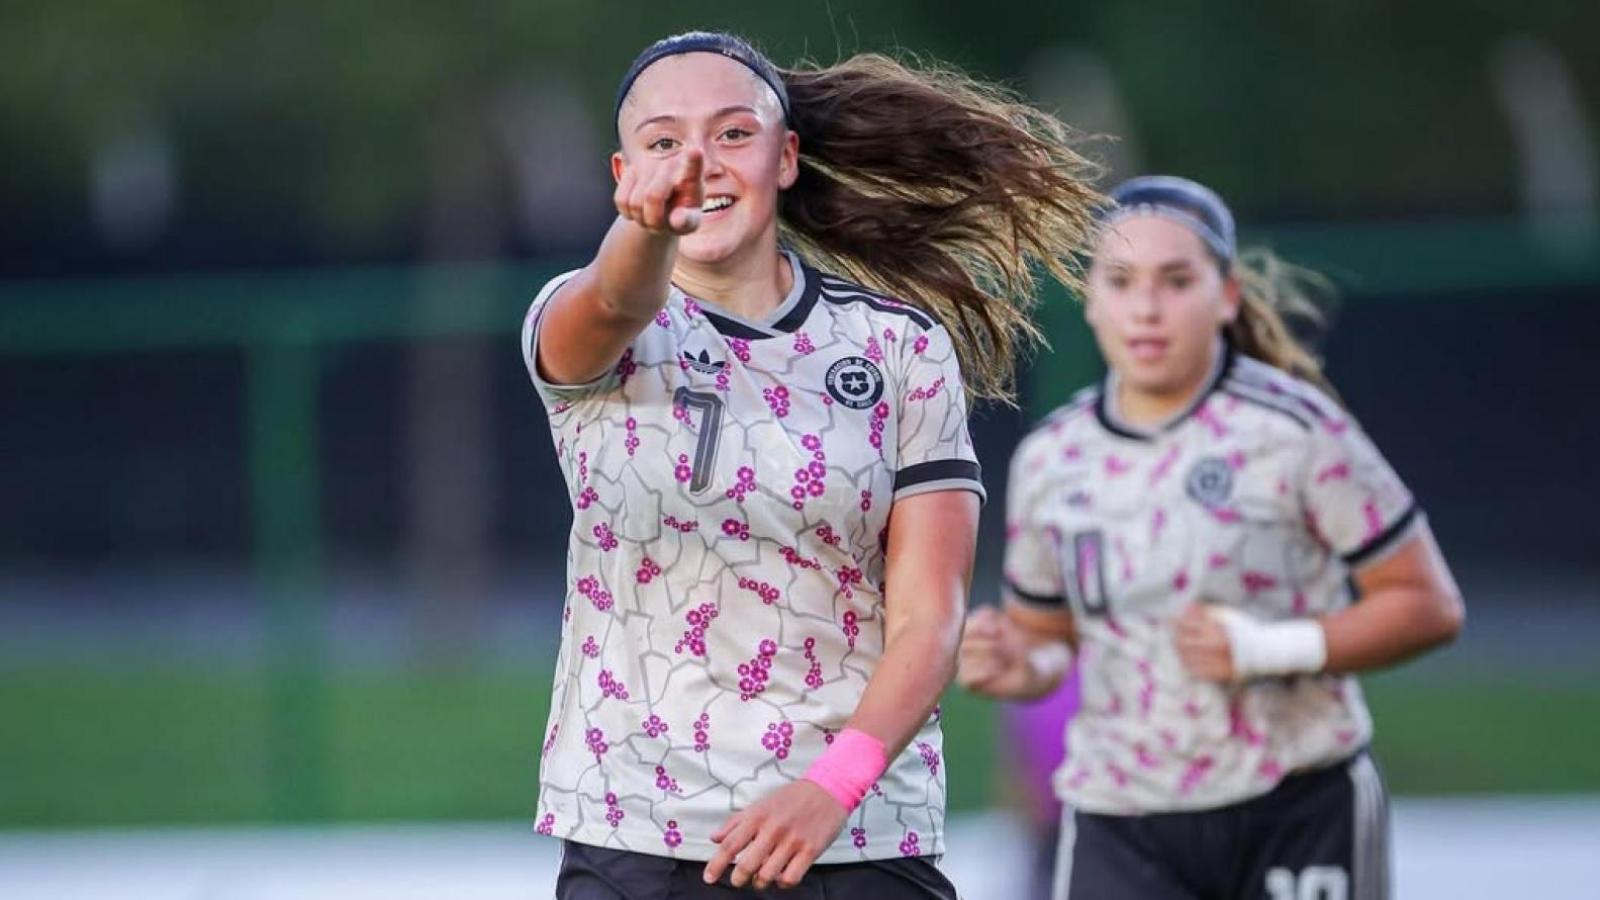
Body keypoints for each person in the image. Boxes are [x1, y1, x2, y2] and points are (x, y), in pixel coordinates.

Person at [521, 31, 1100, 898]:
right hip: (637, 831)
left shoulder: (900, 346)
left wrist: (834, 786)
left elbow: (928, 618)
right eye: (664, 142)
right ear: (622, 174)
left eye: (731, 134)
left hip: (857, 836)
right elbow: (615, 296)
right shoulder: (592, 324)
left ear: (785, 157)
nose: (699, 165)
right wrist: (643, 235)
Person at [958, 175, 1465, 900]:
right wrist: (1019, 661)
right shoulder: (1053, 459)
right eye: (1122, 281)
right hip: (1120, 819)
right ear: (1091, 298)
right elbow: (1048, 639)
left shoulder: (1296, 430)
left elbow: (1429, 606)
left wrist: (1270, 648)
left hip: (1294, 805)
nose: (1148, 308)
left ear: (1225, 296)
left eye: (1176, 280)